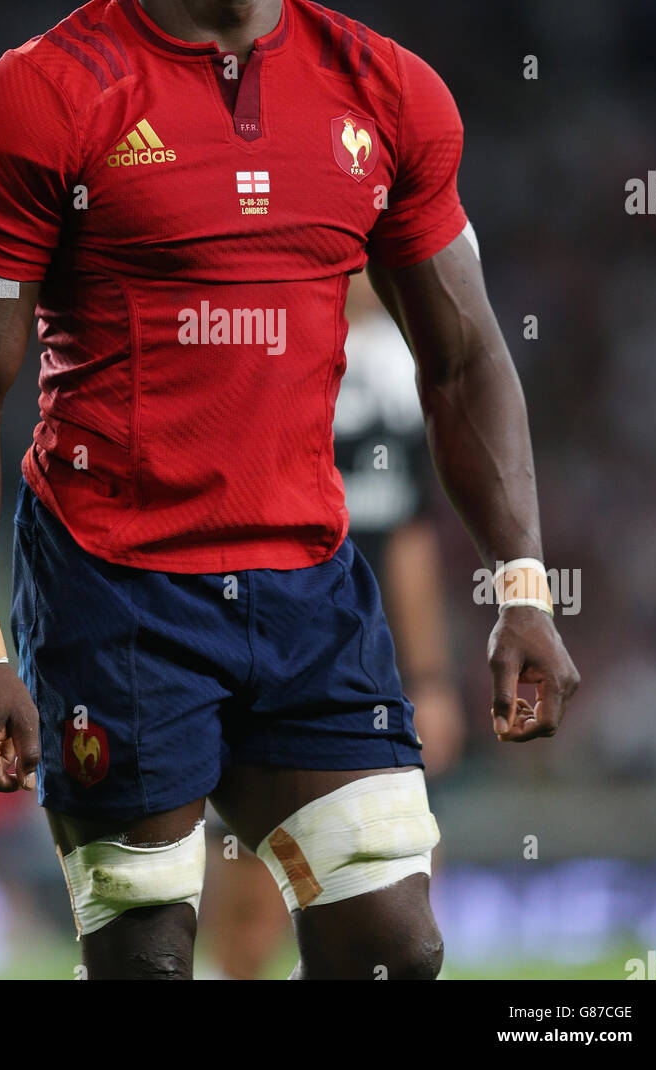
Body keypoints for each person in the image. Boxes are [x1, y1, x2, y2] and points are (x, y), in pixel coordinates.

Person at [0, 0, 580, 981]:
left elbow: (468, 354)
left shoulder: (389, 93)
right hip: (117, 586)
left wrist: (522, 585)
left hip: (310, 589)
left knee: (396, 947)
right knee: (152, 962)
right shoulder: (44, 95)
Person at [200, 272, 466, 979]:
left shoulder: (395, 368)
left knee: (400, 887)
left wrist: (431, 678)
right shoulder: (260, 347)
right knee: (251, 894)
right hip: (267, 646)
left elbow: (407, 534)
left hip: (363, 664)